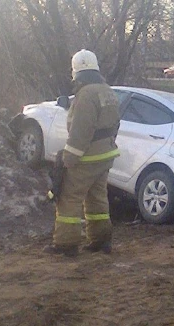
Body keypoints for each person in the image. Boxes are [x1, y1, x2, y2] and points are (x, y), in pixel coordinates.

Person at [43, 49, 120, 257]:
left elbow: (81, 131)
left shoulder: (85, 95)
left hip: (87, 156)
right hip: (105, 155)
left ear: (76, 73)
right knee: (97, 199)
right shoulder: (107, 91)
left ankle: (65, 244)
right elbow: (115, 124)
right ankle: (101, 241)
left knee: (68, 197)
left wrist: (68, 158)